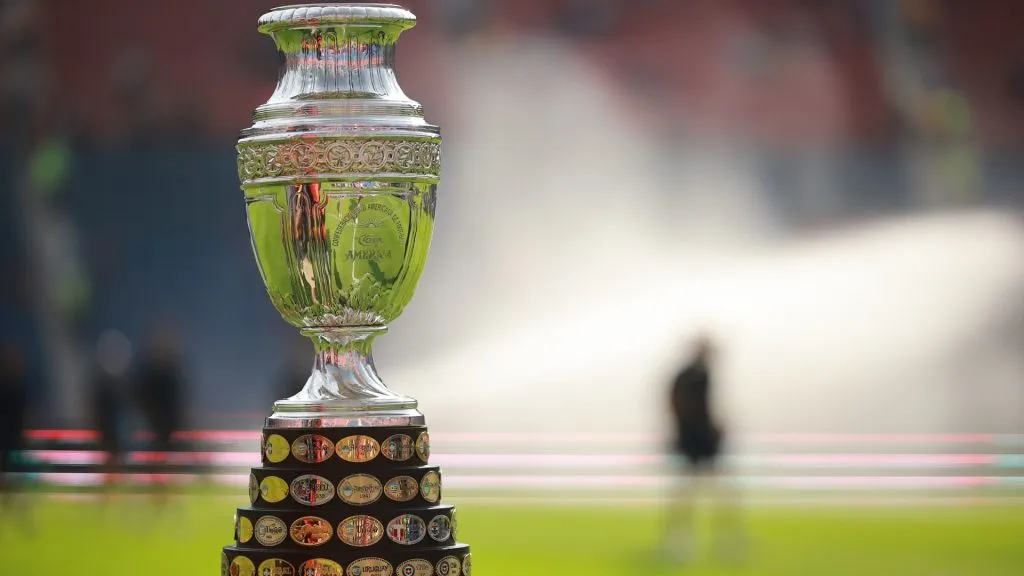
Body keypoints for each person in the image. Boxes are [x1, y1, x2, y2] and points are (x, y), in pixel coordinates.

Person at [662, 334, 744, 563]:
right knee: (706, 493)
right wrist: (709, 430)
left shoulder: (687, 375)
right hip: (699, 442)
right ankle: (721, 543)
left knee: (689, 494)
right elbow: (689, 407)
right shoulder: (697, 375)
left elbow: (675, 403)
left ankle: (687, 542)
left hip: (694, 440)